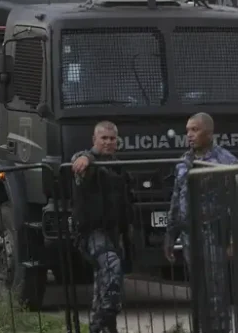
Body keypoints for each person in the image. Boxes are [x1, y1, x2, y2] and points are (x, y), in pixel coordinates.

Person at [164, 112, 238, 333]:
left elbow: (237, 203)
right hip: (190, 236)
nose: (189, 135)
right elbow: (176, 200)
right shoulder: (184, 161)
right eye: (187, 130)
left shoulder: (225, 161)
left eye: (194, 130)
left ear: (209, 132)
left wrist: (234, 239)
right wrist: (171, 235)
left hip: (214, 234)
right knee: (199, 293)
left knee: (217, 294)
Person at [71, 121, 134, 333]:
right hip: (92, 232)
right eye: (103, 138)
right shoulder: (89, 163)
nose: (108, 142)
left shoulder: (117, 166)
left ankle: (103, 327)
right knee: (111, 267)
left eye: (112, 138)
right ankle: (101, 322)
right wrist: (85, 157)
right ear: (94, 140)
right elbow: (79, 161)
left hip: (113, 232)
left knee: (103, 286)